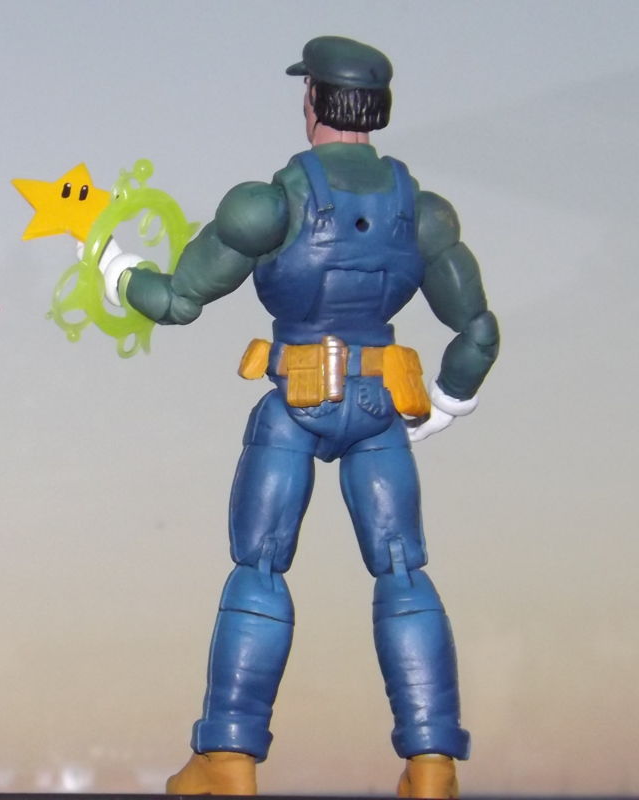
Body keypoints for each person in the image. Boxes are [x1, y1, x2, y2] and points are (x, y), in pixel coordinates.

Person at [107, 37, 499, 798]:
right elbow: (478, 331)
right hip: (378, 405)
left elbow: (177, 300)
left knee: (259, 567)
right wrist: (447, 404)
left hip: (295, 401)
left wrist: (113, 269)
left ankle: (229, 756)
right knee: (403, 569)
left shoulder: (270, 204)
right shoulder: (421, 212)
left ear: (313, 100)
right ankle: (432, 764)